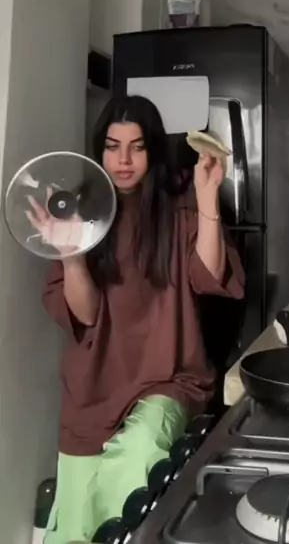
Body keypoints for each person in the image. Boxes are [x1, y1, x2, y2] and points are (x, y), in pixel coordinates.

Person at [34, 95, 245, 544]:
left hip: (168, 380)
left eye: (137, 147)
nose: (124, 160)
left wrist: (207, 198)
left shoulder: (178, 209)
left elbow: (210, 275)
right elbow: (85, 314)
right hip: (93, 392)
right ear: (99, 150)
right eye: (113, 147)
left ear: (154, 151)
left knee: (136, 459)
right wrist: (71, 256)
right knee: (73, 529)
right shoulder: (82, 214)